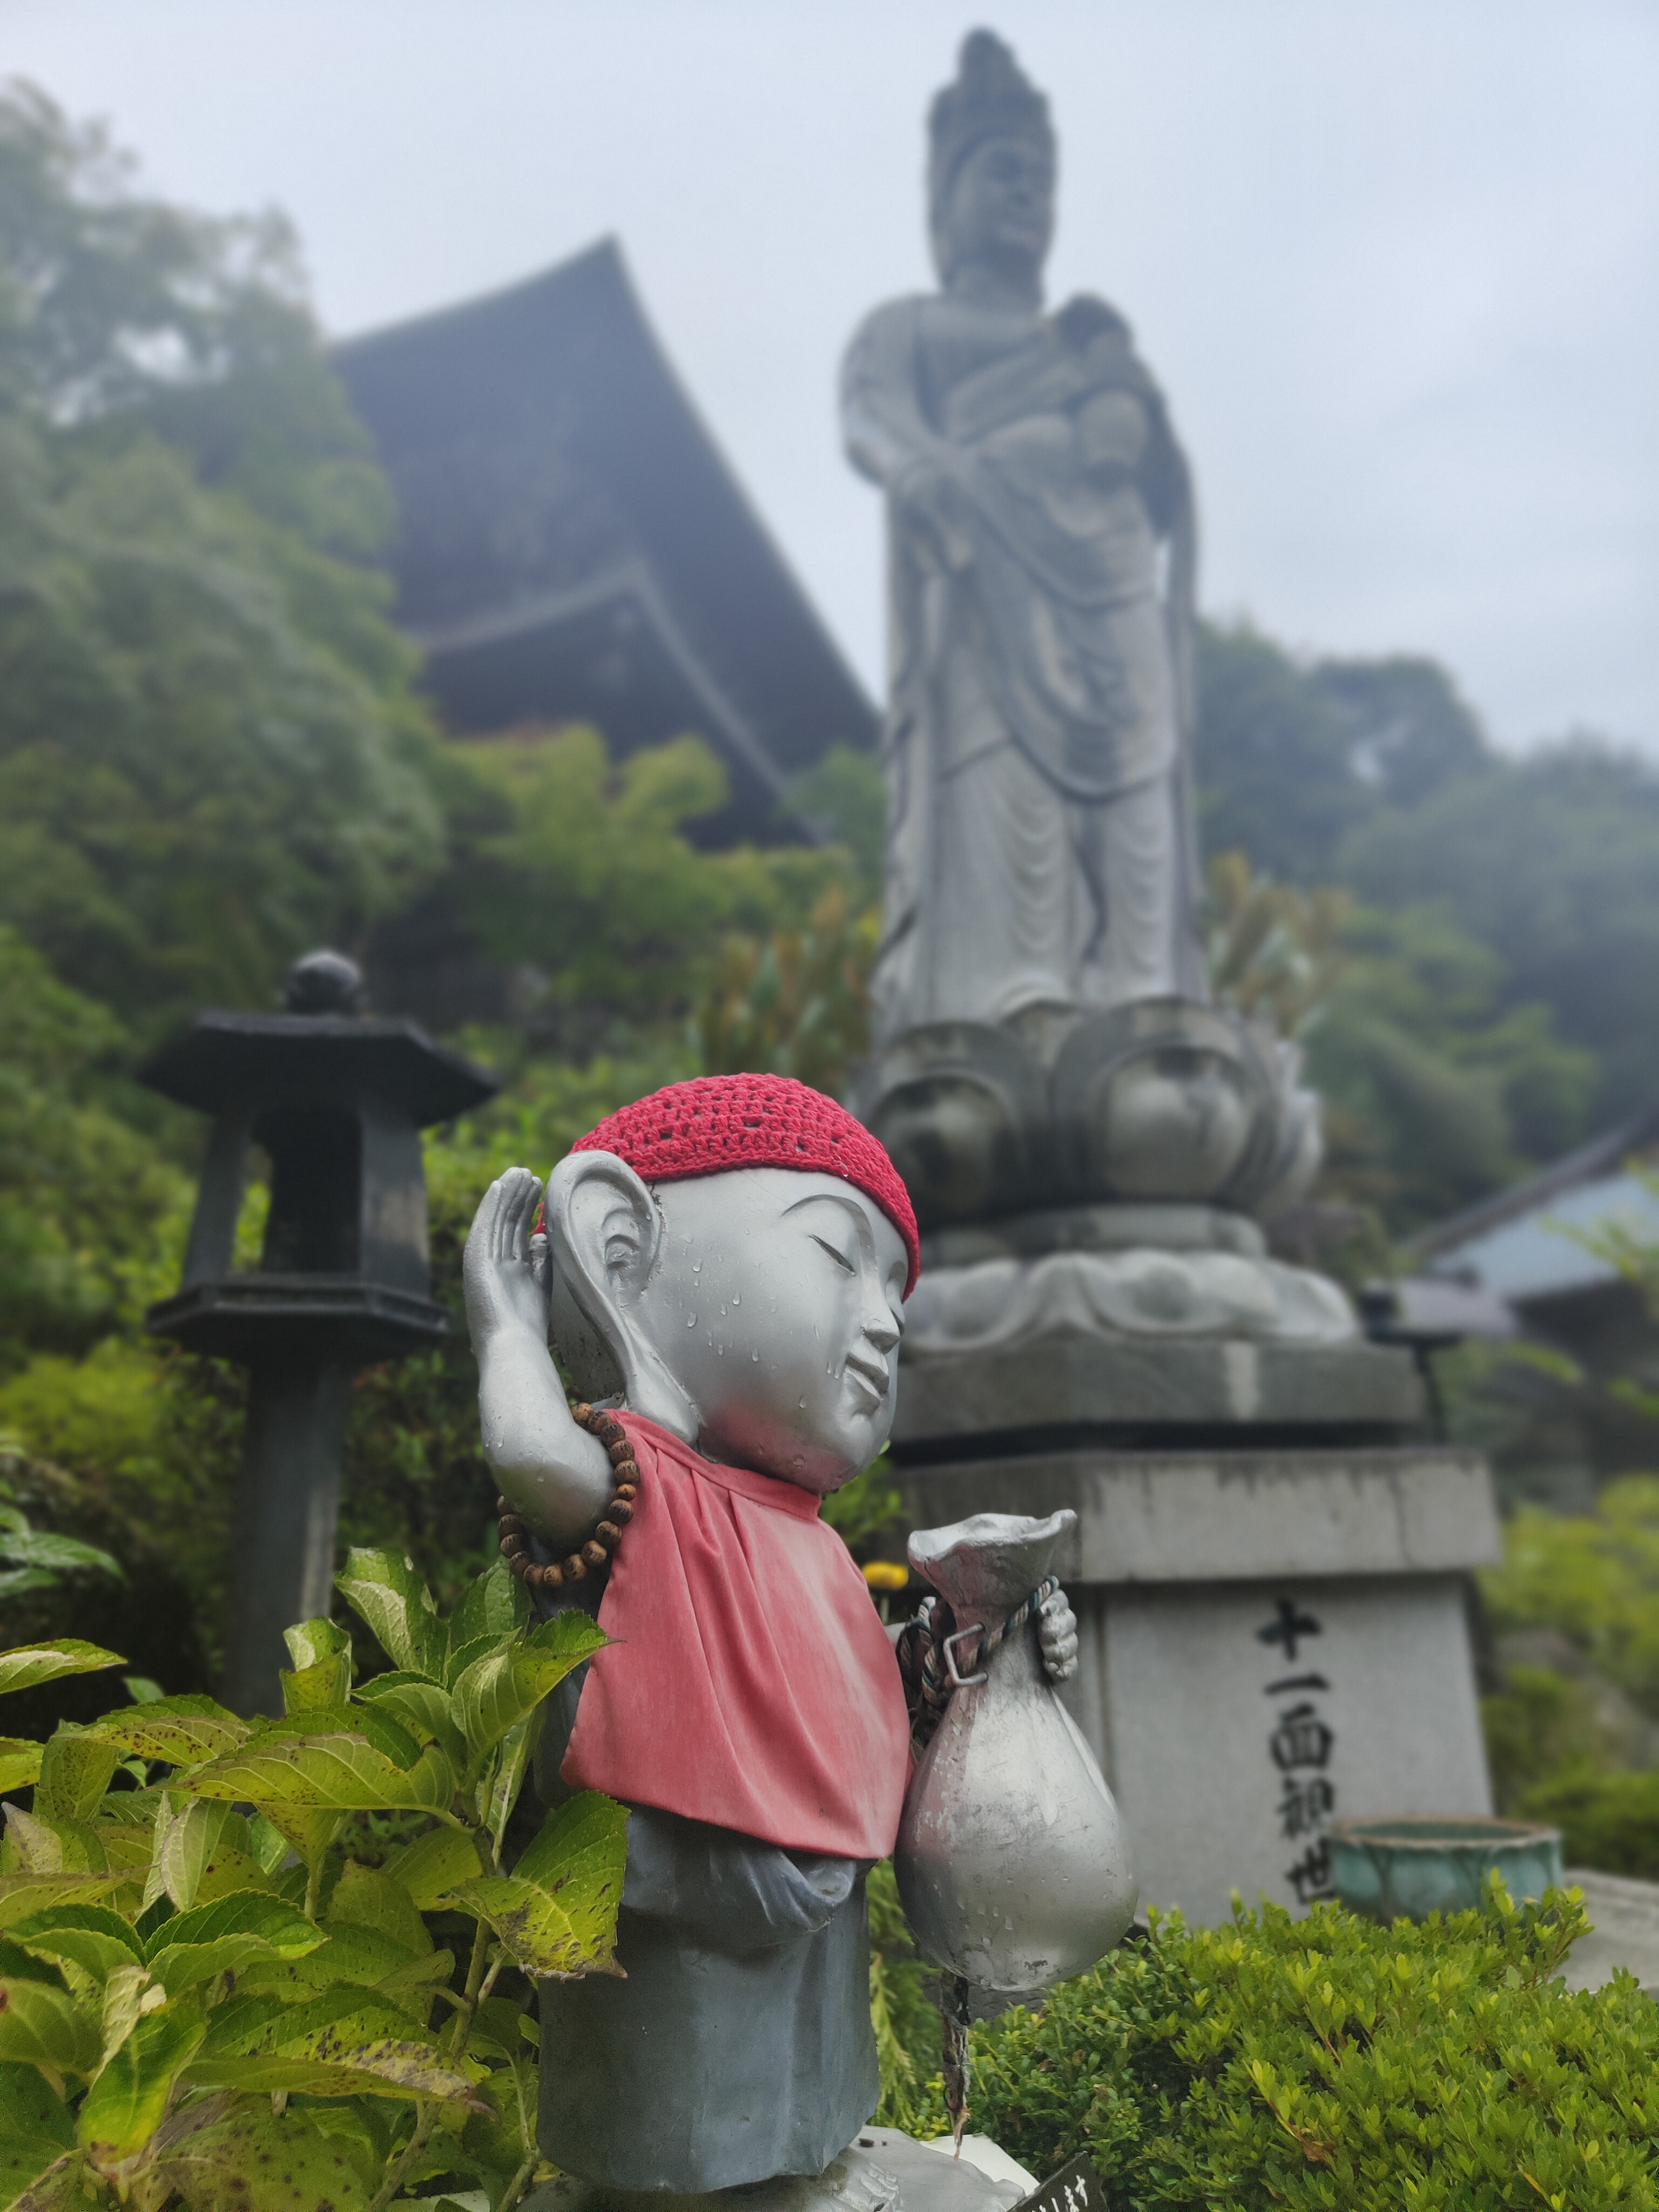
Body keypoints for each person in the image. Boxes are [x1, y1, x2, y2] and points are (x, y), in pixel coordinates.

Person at [463, 1074, 1076, 2203]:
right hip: (686, 1868)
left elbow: (851, 1705)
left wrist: (973, 1645)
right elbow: (530, 1454)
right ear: (617, 1251)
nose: (886, 1321)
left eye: (898, 1291)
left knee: (810, 2068)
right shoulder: (638, 1484)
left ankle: (812, 2151)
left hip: (810, 1873)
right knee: (682, 2070)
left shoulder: (816, 1545)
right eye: (842, 1258)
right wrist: (508, 1325)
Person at [841, 30, 1209, 1044]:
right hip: (984, 567)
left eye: (1042, 181)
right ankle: (1017, 988)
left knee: (1140, 781)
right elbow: (869, 419)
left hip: (1117, 576)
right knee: (1009, 785)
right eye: (1003, 173)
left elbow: (1164, 483)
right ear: (944, 196)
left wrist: (1134, 417)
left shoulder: (1086, 342)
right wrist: (927, 475)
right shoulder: (909, 324)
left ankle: (1146, 992)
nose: (1027, 197)